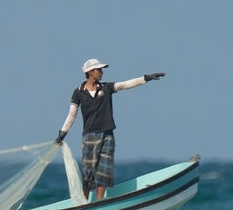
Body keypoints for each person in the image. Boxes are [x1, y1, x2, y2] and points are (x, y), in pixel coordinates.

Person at [54, 59, 165, 200]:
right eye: (98, 70)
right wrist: (63, 132)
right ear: (89, 72)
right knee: (88, 172)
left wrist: (146, 78)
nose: (102, 72)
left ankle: (100, 202)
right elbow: (72, 114)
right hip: (90, 136)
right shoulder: (78, 92)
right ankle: (83, 203)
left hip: (108, 134)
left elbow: (125, 84)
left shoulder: (106, 88)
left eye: (101, 69)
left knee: (104, 171)